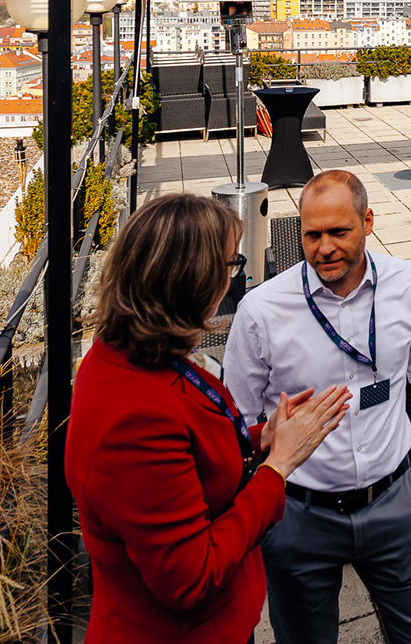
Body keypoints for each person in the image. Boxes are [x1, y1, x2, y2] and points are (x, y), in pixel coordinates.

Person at [69, 194, 352, 644]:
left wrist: (261, 438)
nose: (231, 279)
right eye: (230, 265)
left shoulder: (133, 353)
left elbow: (188, 460)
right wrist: (278, 466)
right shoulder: (134, 420)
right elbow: (191, 577)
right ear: (192, 282)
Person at [225, 170, 411, 644]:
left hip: (396, 503)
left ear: (368, 221)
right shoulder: (261, 311)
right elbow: (238, 419)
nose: (324, 248)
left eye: (339, 232)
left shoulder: (408, 285)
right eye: (312, 235)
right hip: (299, 520)